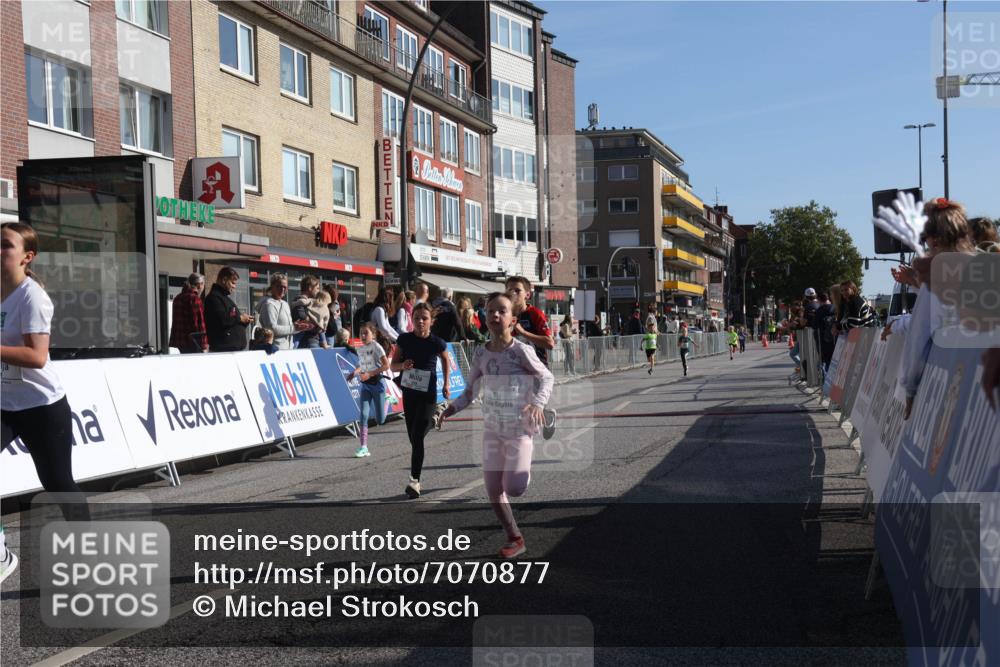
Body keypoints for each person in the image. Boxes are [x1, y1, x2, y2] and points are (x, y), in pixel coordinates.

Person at [1, 222, 88, 583]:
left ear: (27, 256)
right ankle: (2, 555)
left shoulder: (32, 297)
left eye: (5, 245)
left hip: (42, 406)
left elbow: (37, 356)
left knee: (58, 483)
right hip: (5, 403)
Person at [440, 292, 554, 559]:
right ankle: (515, 537)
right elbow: (469, 391)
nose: (495, 315)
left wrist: (538, 403)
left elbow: (546, 378)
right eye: (490, 311)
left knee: (514, 487)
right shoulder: (480, 353)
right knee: (493, 490)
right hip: (493, 429)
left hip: (519, 428)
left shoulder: (521, 350)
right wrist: (452, 408)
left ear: (513, 320)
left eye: (502, 311)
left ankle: (546, 418)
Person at [389, 302, 450, 498]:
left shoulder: (436, 342)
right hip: (409, 394)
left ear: (431, 321)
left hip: (428, 394)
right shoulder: (404, 339)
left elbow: (446, 359)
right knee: (414, 438)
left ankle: (414, 480)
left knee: (417, 438)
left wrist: (446, 384)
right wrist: (403, 365)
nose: (420, 322)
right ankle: (434, 420)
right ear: (411, 320)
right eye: (417, 318)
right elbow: (393, 366)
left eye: (424, 318)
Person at [505, 276, 556, 439]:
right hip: (514, 371)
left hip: (536, 369)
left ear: (527, 294)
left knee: (529, 410)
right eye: (509, 289)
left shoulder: (534, 314)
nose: (512, 293)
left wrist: (523, 333)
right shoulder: (505, 314)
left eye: (517, 290)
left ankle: (546, 417)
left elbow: (550, 343)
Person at [348, 323, 390, 458]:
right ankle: (363, 447)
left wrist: (370, 374)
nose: (363, 336)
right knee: (363, 415)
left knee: (380, 420)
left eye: (366, 333)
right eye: (361, 333)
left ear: (373, 334)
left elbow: (386, 365)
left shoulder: (377, 347)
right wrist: (355, 372)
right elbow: (362, 366)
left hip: (378, 385)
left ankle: (387, 399)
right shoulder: (361, 349)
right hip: (366, 386)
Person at [204, 266, 252, 352]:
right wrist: (240, 318)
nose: (234, 287)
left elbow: (231, 320)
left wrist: (244, 321)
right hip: (223, 350)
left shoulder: (224, 298)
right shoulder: (214, 298)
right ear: (224, 280)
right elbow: (223, 320)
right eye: (233, 283)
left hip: (231, 349)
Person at [169, 273, 208, 353]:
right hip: (193, 345)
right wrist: (204, 345)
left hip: (179, 344)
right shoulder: (195, 299)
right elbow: (199, 324)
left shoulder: (177, 298)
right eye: (203, 285)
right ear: (199, 285)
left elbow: (175, 324)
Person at [257, 273, 297, 350]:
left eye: (285, 287)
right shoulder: (268, 304)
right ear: (272, 286)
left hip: (289, 350)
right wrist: (294, 328)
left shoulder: (285, 304)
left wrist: (299, 326)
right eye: (279, 286)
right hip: (274, 350)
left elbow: (289, 327)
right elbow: (271, 329)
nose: (282, 289)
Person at [291, 275, 326, 349]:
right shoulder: (299, 301)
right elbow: (302, 318)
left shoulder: (312, 302)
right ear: (310, 288)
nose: (318, 291)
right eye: (317, 288)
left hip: (313, 340)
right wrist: (318, 322)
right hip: (308, 342)